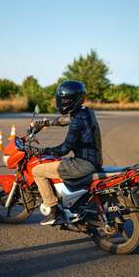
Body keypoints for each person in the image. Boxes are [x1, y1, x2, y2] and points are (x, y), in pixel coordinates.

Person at [31, 80, 103, 226]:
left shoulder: (77, 121)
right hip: (94, 160)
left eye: (64, 100)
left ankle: (52, 209)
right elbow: (65, 120)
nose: (61, 102)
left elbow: (64, 149)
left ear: (73, 100)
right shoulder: (86, 112)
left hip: (83, 164)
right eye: (61, 99)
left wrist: (42, 151)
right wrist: (46, 123)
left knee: (38, 170)